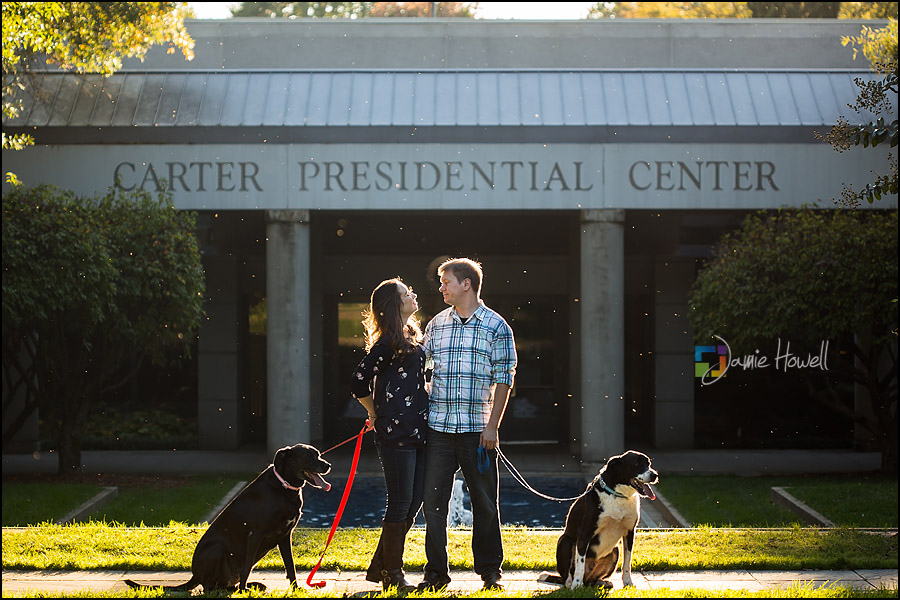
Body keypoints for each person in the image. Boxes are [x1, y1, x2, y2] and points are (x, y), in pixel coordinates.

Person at [418, 258, 517, 592]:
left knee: (485, 503)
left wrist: (493, 427)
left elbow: (504, 379)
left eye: (446, 282)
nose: (441, 288)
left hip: (478, 431)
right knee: (433, 504)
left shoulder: (497, 326)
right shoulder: (436, 325)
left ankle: (490, 572)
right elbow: (422, 369)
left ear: (466, 284)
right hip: (438, 429)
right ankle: (435, 573)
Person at [350, 277, 428, 593]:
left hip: (419, 431)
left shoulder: (411, 337)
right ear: (394, 304)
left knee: (414, 502)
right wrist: (373, 412)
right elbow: (358, 380)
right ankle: (392, 574)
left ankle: (380, 566)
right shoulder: (386, 343)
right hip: (395, 435)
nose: (413, 294)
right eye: (406, 293)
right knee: (399, 503)